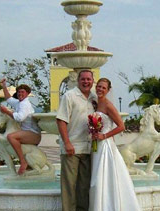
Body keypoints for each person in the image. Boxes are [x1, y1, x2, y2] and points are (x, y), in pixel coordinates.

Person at [89, 78, 141, 211]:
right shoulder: (96, 103)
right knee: (95, 176)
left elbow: (121, 126)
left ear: (108, 90)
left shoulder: (108, 105)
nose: (100, 89)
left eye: (103, 88)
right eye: (99, 86)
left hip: (105, 144)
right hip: (96, 144)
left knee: (101, 177)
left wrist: (104, 135)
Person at [56, 70, 96, 211]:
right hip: (71, 148)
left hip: (89, 148)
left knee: (84, 186)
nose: (86, 82)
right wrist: (67, 143)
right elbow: (61, 120)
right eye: (83, 79)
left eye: (88, 79)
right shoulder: (69, 96)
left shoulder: (94, 98)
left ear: (92, 81)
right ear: (78, 81)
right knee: (69, 186)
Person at [0, 79, 41, 175]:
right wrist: (4, 86)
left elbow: (19, 118)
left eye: (22, 92)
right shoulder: (19, 103)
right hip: (27, 132)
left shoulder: (25, 104)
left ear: (27, 93)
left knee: (11, 137)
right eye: (18, 92)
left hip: (33, 134)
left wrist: (6, 111)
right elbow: (8, 99)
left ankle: (23, 161)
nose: (20, 94)